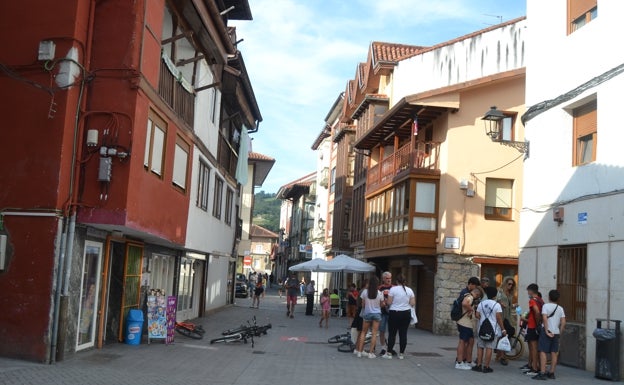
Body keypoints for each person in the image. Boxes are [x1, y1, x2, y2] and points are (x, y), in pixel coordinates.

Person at [472, 286, 507, 373]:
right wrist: (503, 329)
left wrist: (483, 318)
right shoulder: (497, 305)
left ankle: (478, 365)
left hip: (481, 329)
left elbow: (477, 315)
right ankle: (486, 366)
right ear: (495, 295)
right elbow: (499, 318)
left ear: (487, 294)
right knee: (489, 347)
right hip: (492, 330)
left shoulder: (481, 303)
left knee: (480, 347)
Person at [533, 290, 566, 381]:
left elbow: (544, 318)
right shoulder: (560, 308)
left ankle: (542, 372)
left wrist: (547, 330)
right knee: (554, 352)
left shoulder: (546, 306)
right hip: (556, 332)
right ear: (558, 298)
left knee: (543, 351)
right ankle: (551, 372)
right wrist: (560, 332)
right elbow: (563, 322)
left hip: (546, 331)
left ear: (549, 297)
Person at [385, 274, 416, 360]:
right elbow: (413, 303)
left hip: (394, 313)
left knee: (392, 334)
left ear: (396, 281)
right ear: (405, 281)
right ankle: (401, 354)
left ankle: (389, 353)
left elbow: (389, 302)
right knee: (403, 334)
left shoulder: (393, 289)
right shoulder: (409, 290)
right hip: (406, 313)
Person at [455, 277, 481, 370]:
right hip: (464, 322)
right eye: (475, 286)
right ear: (471, 284)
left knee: (470, 341)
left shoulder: (465, 292)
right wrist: (471, 309)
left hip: (466, 323)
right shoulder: (468, 295)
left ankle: (467, 360)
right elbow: (465, 304)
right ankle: (459, 362)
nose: (475, 288)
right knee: (463, 342)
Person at [355, 275, 383, 359]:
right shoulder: (379, 293)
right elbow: (382, 305)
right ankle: (371, 353)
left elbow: (363, 304)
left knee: (363, 332)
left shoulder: (365, 292)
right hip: (377, 314)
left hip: (367, 313)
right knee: (374, 333)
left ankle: (359, 352)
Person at [521, 283, 544, 376]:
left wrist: (537, 322)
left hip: (532, 326)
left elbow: (537, 312)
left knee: (533, 348)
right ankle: (535, 366)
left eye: (528, 291)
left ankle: (534, 368)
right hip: (537, 327)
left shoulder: (532, 301)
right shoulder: (541, 300)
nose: (528, 293)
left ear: (531, 291)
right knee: (536, 348)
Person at [495, 276, 517, 365]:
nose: (510, 286)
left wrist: (514, 305)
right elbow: (496, 301)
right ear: (505, 283)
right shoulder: (500, 291)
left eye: (512, 284)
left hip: (507, 316)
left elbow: (509, 305)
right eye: (509, 284)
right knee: (505, 334)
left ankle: (499, 355)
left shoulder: (510, 294)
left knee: (504, 335)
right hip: (501, 315)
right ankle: (502, 356)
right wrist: (500, 304)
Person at [378, 271, 393, 357]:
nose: (389, 280)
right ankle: (383, 348)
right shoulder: (380, 288)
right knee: (382, 330)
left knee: (392, 331)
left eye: (390, 278)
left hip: (392, 313)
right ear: (383, 279)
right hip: (382, 313)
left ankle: (390, 347)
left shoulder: (394, 288)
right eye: (387, 278)